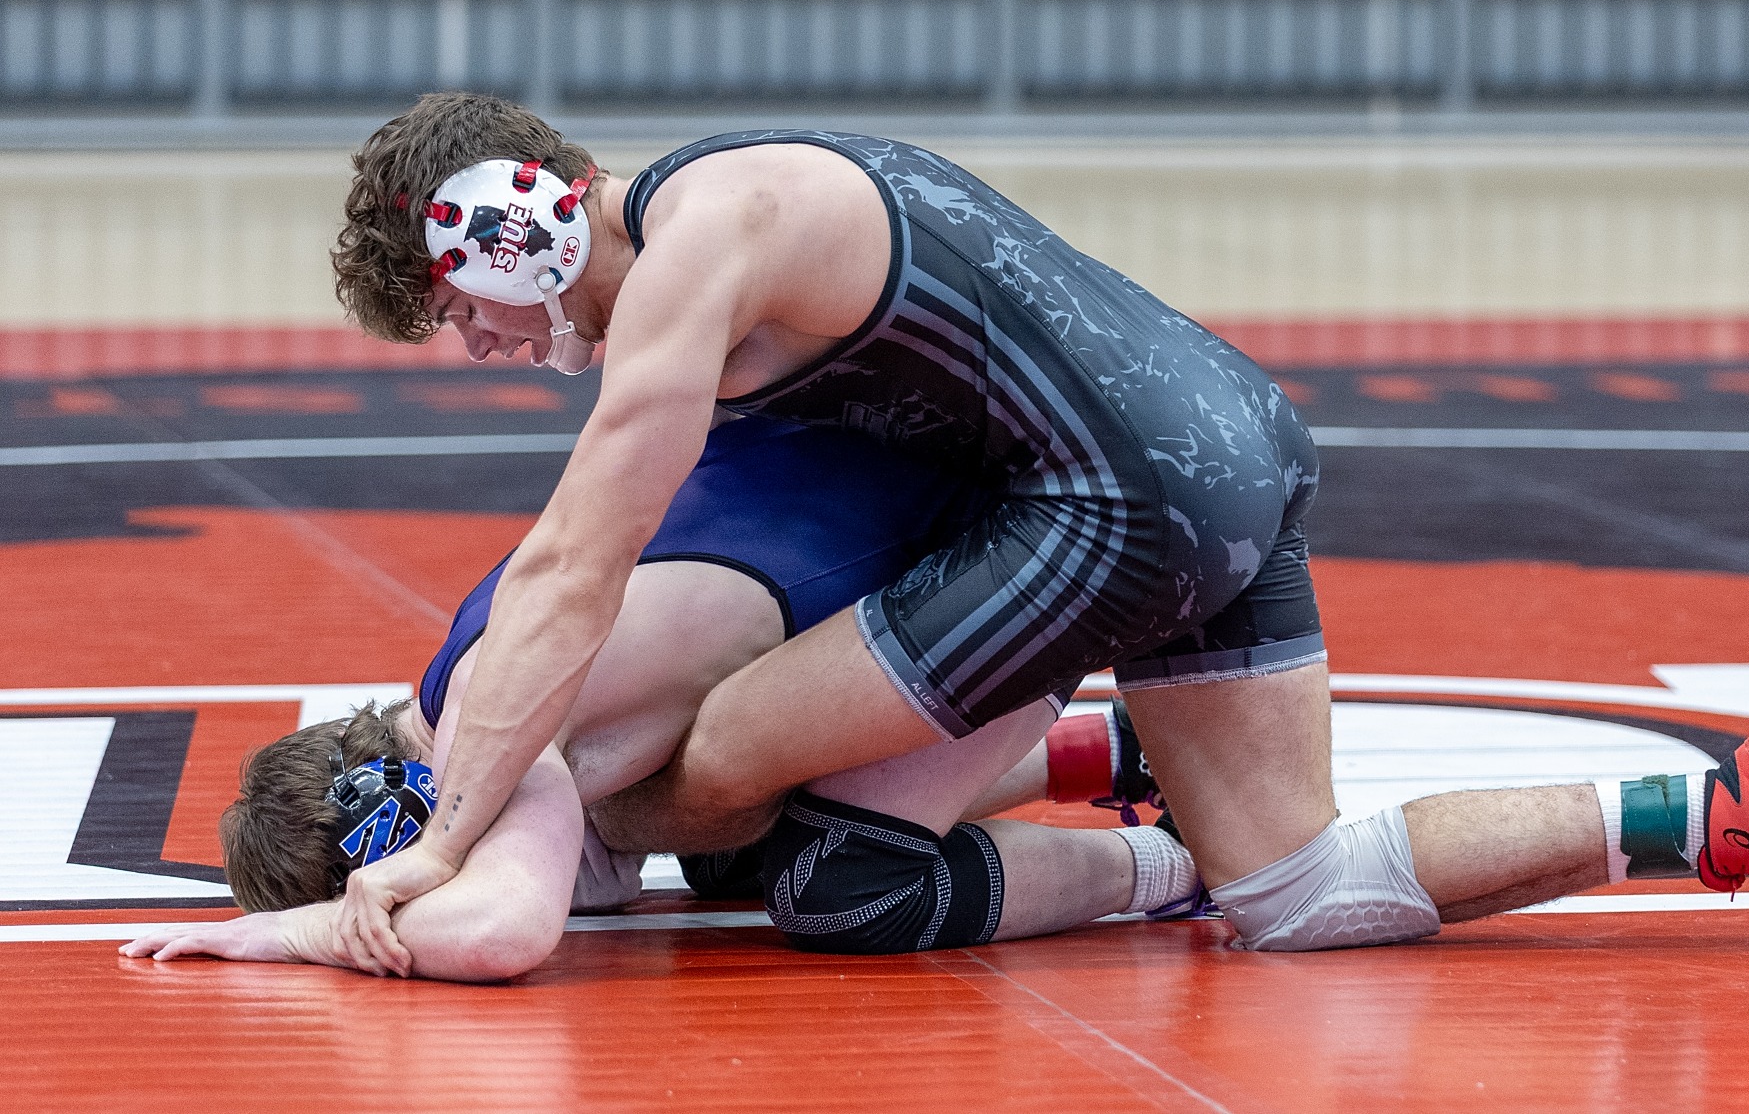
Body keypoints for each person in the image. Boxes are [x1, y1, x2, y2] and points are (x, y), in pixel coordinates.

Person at [322, 92, 1749, 974]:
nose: (471, 345)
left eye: (452, 306)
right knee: (1299, 897)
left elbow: (576, 563)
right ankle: (1712, 817)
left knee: (735, 768)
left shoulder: (702, 247)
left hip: (1110, 508)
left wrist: (459, 826)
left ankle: (1085, 782)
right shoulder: (736, 202)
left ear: (518, 222)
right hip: (1234, 441)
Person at [123, 415, 1199, 980]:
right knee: (718, 829)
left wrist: (295, 936)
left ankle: (1184, 868)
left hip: (1056, 536)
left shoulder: (492, 724)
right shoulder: (476, 671)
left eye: (392, 900)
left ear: (391, 825)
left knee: (843, 887)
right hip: (1011, 511)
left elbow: (504, 933)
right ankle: (1113, 752)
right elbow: (597, 879)